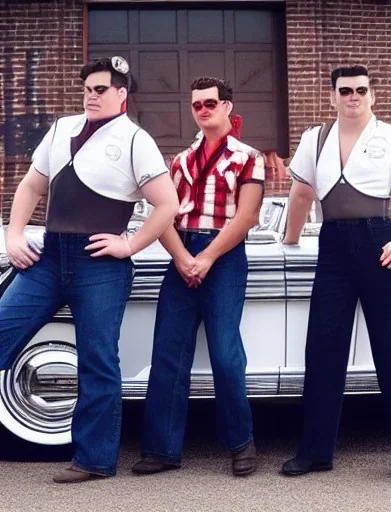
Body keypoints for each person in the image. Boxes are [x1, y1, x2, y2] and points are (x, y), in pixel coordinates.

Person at [0, 56, 178, 483]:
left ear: (122, 94)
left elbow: (167, 203)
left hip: (100, 264)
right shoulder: (61, 128)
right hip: (49, 256)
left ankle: (94, 461)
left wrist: (130, 244)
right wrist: (14, 234)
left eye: (101, 89)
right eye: (87, 89)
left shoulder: (136, 140)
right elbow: (31, 185)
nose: (91, 96)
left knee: (98, 361)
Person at [280, 65, 391, 485]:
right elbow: (301, 194)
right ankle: (315, 452)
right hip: (332, 246)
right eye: (345, 90)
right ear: (332, 95)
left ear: (371, 95)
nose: (353, 97)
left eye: (360, 90)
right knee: (323, 349)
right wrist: (291, 240)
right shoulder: (316, 138)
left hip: (378, 243)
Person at [132, 76, 264, 477]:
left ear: (227, 106)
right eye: (197, 105)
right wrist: (183, 258)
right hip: (181, 252)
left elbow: (247, 217)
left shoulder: (248, 157)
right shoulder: (180, 160)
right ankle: (161, 449)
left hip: (222, 256)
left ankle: (241, 443)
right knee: (168, 354)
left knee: (226, 355)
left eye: (210, 103)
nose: (203, 110)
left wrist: (204, 258)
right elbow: (163, 214)